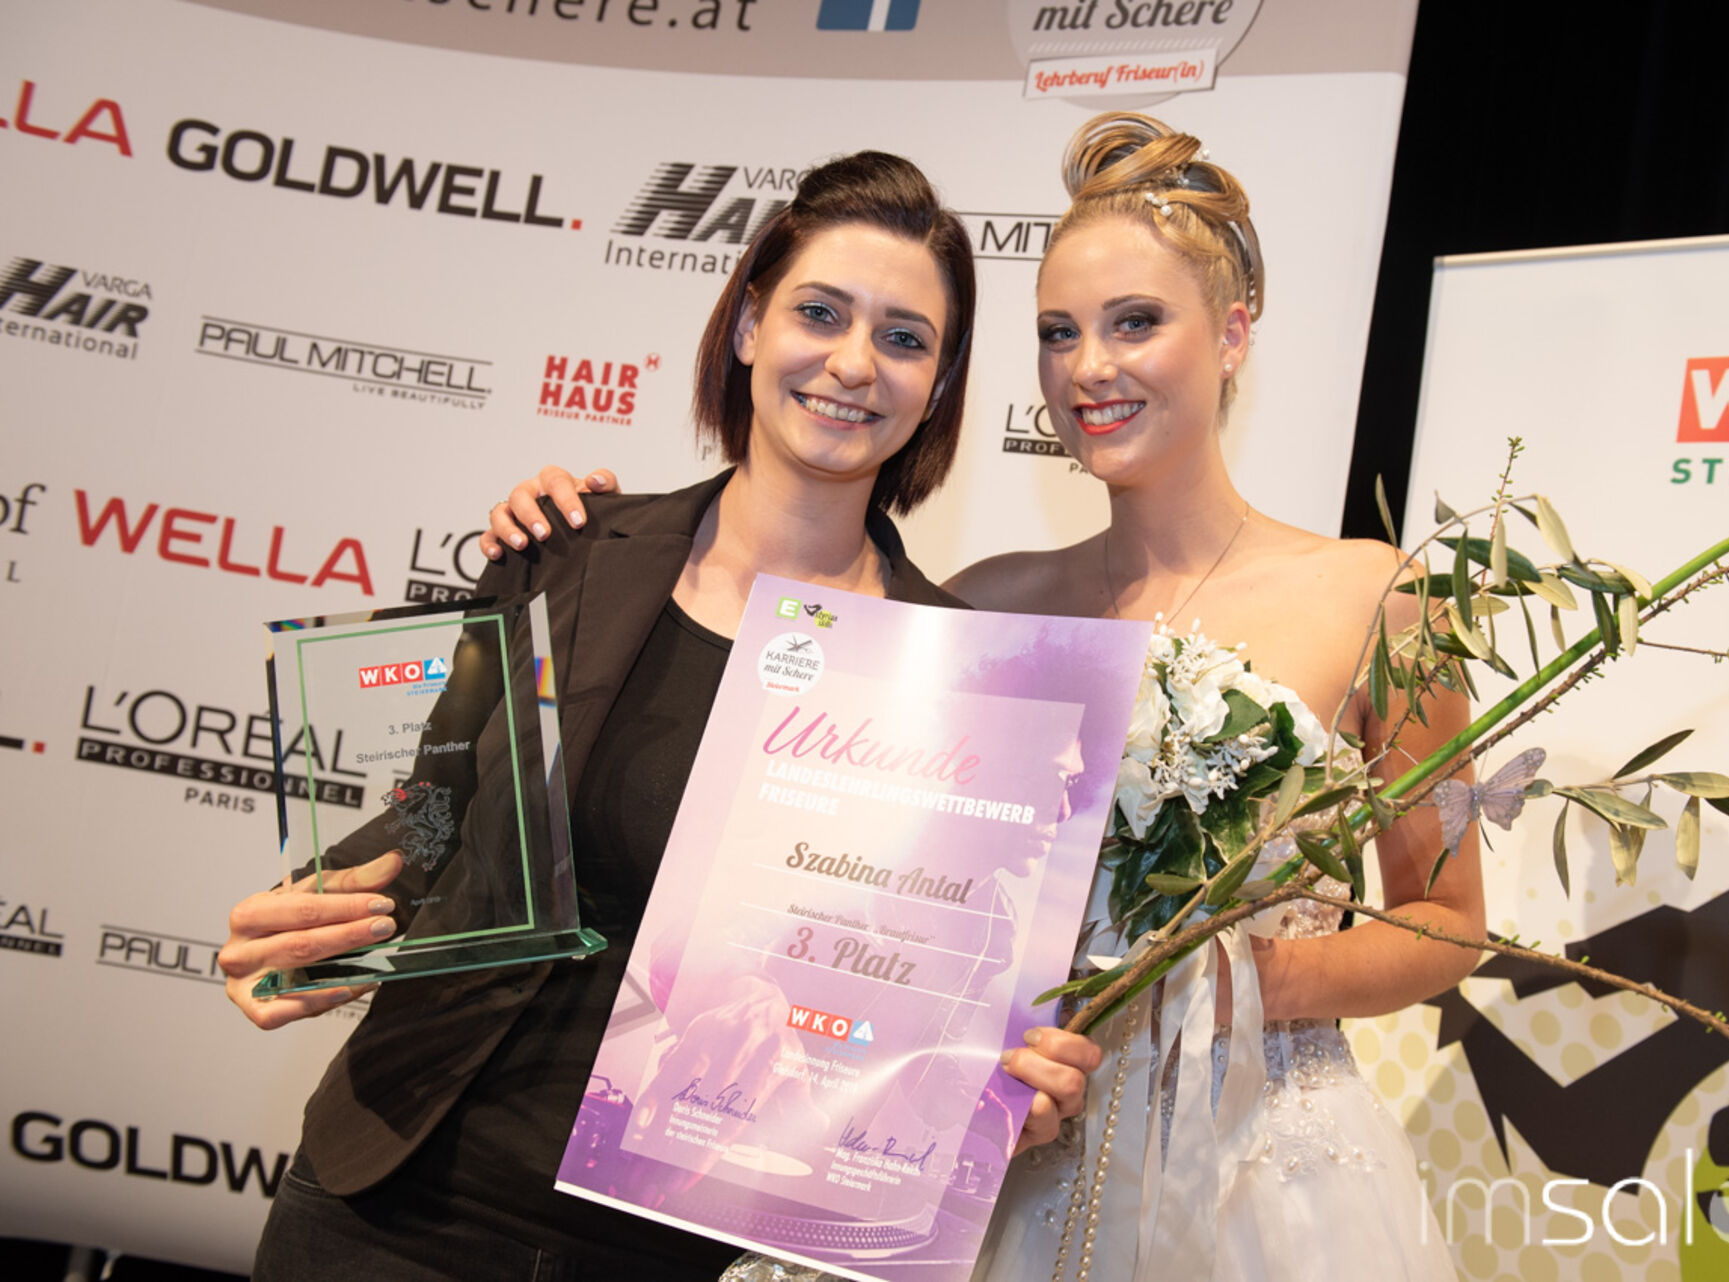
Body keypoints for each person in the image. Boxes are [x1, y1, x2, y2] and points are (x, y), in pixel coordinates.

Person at [487, 114, 1479, 1280]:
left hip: (1252, 1177)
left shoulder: (1380, 598)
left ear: (1233, 332)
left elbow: (1450, 916)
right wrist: (581, 532)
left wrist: (1243, 981)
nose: (1090, 367)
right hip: (1006, 1173)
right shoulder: (974, 611)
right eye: (1058, 333)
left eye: (1136, 322)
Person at [217, 150, 1100, 1282]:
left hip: (685, 1249)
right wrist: (307, 919)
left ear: (938, 383)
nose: (852, 362)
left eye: (903, 337)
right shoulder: (568, 551)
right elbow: (435, 815)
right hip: (400, 1203)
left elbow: (943, 981)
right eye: (819, 312)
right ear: (749, 325)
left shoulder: (962, 680)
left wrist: (992, 1089)